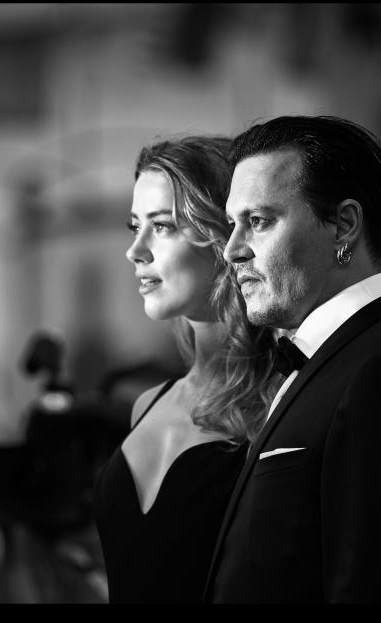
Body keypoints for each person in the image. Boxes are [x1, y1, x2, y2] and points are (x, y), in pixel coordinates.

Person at [204, 116, 381, 603]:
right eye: (234, 224)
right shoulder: (344, 361)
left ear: (345, 225)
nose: (232, 250)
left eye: (259, 221)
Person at [93, 136, 280, 603]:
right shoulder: (145, 405)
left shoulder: (281, 401)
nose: (135, 250)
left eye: (162, 226)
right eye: (134, 226)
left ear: (223, 236)